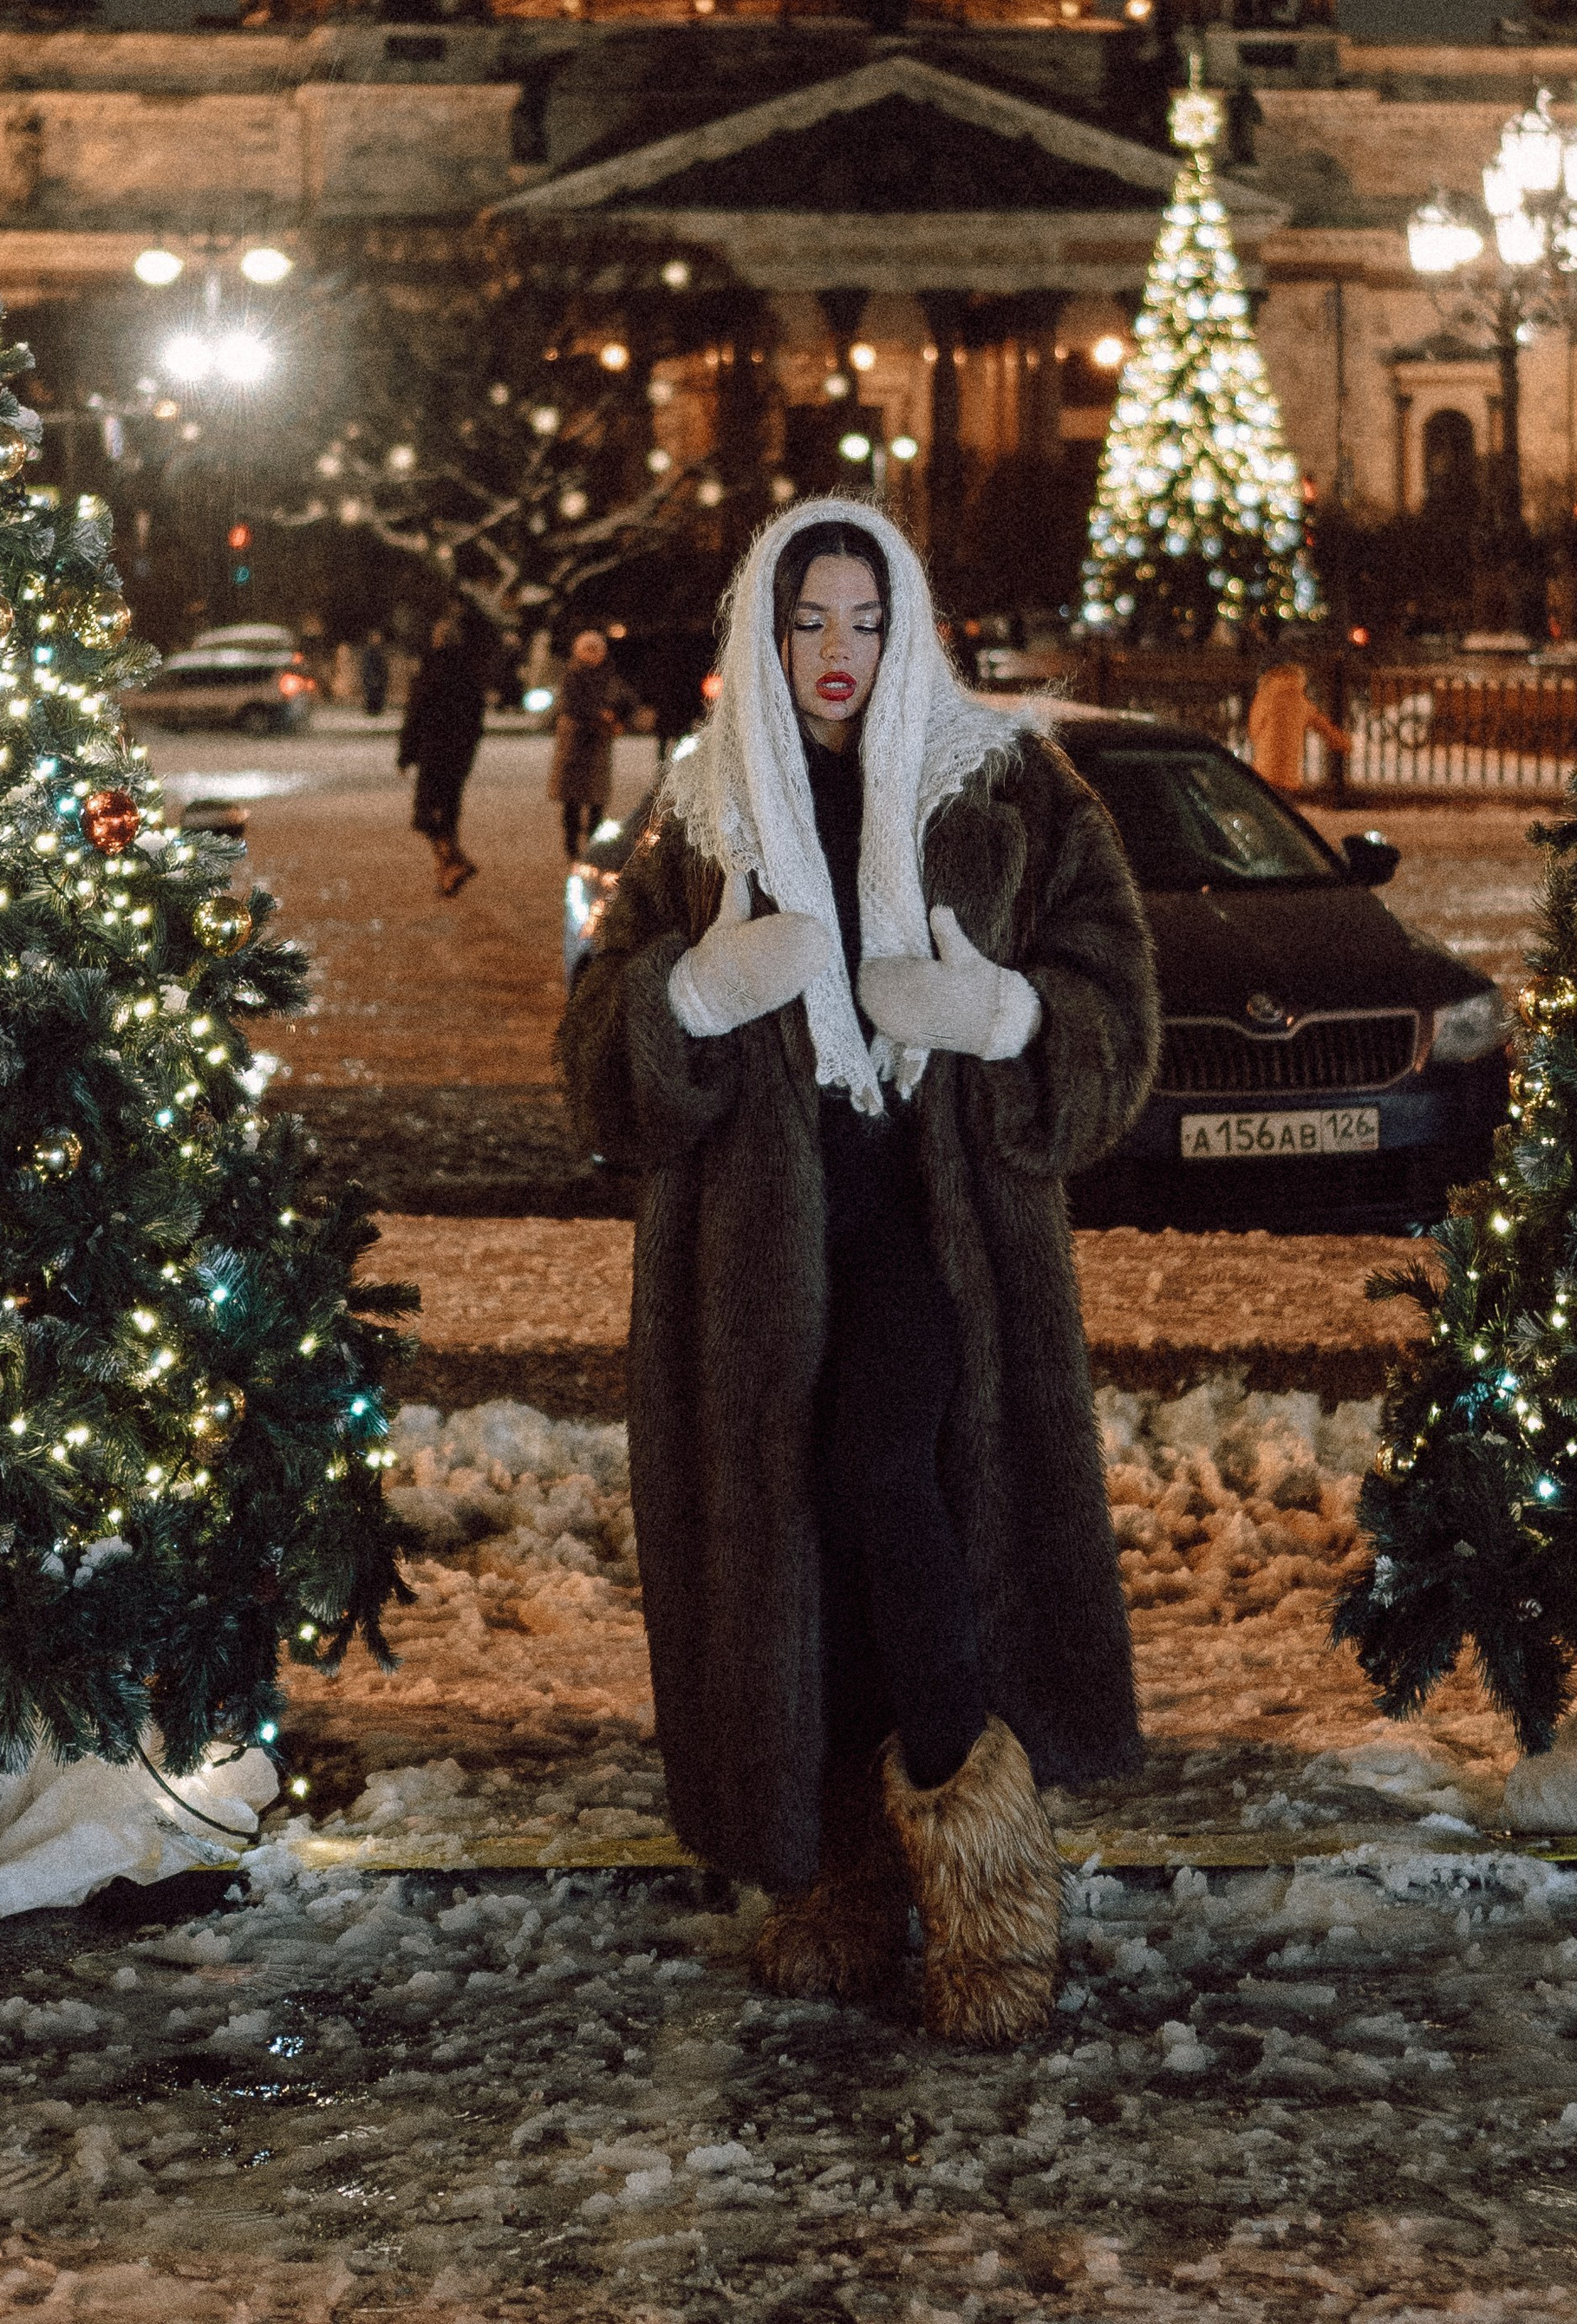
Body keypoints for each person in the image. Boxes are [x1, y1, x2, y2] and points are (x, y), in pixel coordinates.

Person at [559, 501, 1159, 2046]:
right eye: (809, 620)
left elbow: (1118, 1000)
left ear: (910, 628)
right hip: (761, 1246)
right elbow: (597, 1060)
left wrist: (1012, 1021)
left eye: (866, 619)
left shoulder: (1007, 779)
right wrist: (686, 995)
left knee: (890, 1473)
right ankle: (835, 1871)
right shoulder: (704, 808)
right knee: (804, 1528)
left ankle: (986, 1878)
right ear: (765, 632)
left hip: (938, 1225)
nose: (839, 652)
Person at [397, 610, 485, 897]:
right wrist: (468, 749)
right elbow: (477, 719)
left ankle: (454, 863)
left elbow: (415, 715)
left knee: (425, 816)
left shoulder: (431, 670)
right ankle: (447, 874)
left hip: (433, 752)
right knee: (448, 813)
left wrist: (405, 754)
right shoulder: (470, 673)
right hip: (458, 756)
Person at [551, 626, 640, 861]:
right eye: (587, 649)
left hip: (598, 743)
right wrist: (600, 715)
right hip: (575, 742)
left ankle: (592, 843)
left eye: (596, 649)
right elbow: (570, 705)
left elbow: (628, 700)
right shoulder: (572, 674)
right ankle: (571, 844)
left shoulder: (610, 675)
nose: (592, 654)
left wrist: (618, 718)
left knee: (596, 798)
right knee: (571, 799)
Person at [1247, 653, 1352, 790]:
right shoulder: (1302, 702)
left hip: (1263, 774)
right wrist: (1346, 743)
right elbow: (1326, 730)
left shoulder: (1263, 698)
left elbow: (1254, 732)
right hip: (1289, 778)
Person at [357, 629, 390, 721]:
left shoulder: (381, 651)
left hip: (379, 680)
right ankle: (372, 712)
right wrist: (372, 678)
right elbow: (367, 666)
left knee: (378, 698)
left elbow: (384, 666)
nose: (377, 639)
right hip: (372, 680)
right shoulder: (369, 652)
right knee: (372, 697)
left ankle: (377, 712)